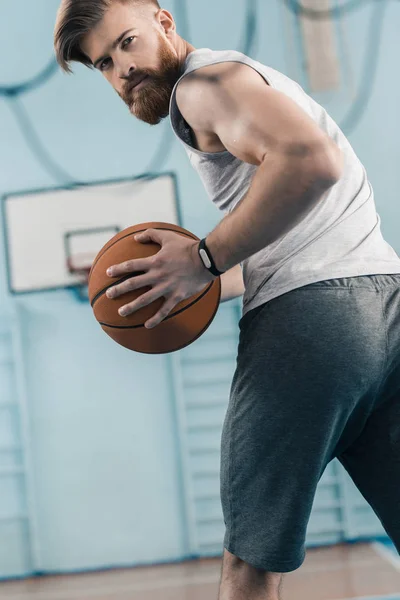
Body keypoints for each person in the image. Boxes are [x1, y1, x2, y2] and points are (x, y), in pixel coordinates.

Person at [54, 2, 400, 598]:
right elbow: (303, 229)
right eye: (104, 63)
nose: (122, 71)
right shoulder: (247, 79)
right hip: (384, 310)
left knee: (249, 561)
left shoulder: (202, 86)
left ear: (164, 21)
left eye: (128, 43)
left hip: (312, 323)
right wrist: (187, 277)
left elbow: (312, 162)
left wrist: (204, 257)